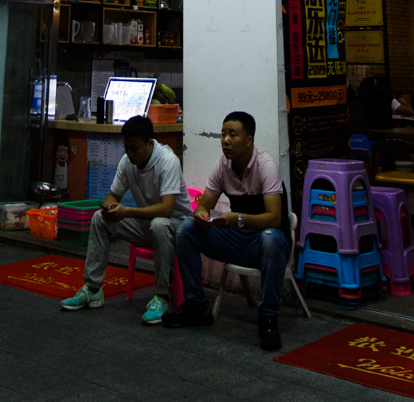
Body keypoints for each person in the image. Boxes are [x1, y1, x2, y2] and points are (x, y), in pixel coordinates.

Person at [162, 110, 291, 351]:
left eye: (233, 134)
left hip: (267, 244)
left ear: (249, 140)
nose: (225, 140)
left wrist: (239, 219)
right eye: (223, 134)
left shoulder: (266, 166)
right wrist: (201, 214)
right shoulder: (222, 165)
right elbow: (205, 204)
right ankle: (197, 306)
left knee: (271, 238)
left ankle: (268, 318)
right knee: (186, 229)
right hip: (237, 240)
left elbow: (274, 219)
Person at [59, 115, 189, 324]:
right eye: (126, 148)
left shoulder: (168, 161)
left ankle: (162, 297)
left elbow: (166, 210)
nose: (129, 153)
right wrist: (109, 207)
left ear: (150, 143)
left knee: (159, 224)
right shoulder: (127, 162)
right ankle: (93, 289)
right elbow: (113, 195)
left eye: (134, 148)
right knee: (99, 219)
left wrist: (126, 211)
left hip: (178, 227)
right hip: (147, 223)